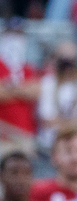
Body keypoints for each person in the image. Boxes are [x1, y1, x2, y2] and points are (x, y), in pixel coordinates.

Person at [36, 40, 77, 152]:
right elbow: (46, 119)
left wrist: (67, 126)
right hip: (51, 144)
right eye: (64, 60)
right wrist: (74, 126)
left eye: (71, 60)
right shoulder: (47, 83)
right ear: (56, 60)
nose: (67, 66)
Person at [0, 19, 39, 151]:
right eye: (11, 34)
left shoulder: (27, 67)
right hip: (3, 134)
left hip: (25, 133)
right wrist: (22, 90)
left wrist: (9, 87)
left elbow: (36, 92)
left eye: (18, 35)